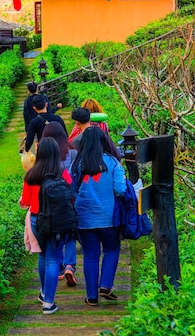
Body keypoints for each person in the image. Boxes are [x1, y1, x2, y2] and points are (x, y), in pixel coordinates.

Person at [71, 126, 126, 306]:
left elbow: (72, 190)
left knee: (90, 255)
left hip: (84, 218)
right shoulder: (112, 162)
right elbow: (120, 189)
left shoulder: (78, 164)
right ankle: (105, 284)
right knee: (111, 249)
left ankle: (92, 296)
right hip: (109, 217)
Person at [19, 137, 73, 315]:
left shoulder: (31, 175)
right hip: (57, 220)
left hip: (37, 220)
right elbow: (70, 195)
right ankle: (48, 302)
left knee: (43, 256)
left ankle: (44, 293)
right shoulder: (62, 173)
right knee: (53, 259)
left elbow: (25, 201)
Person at [42, 122, 78, 286]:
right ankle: (70, 265)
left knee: (56, 231)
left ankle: (60, 265)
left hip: (51, 198)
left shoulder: (44, 155)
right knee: (70, 231)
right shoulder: (72, 151)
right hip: (69, 195)